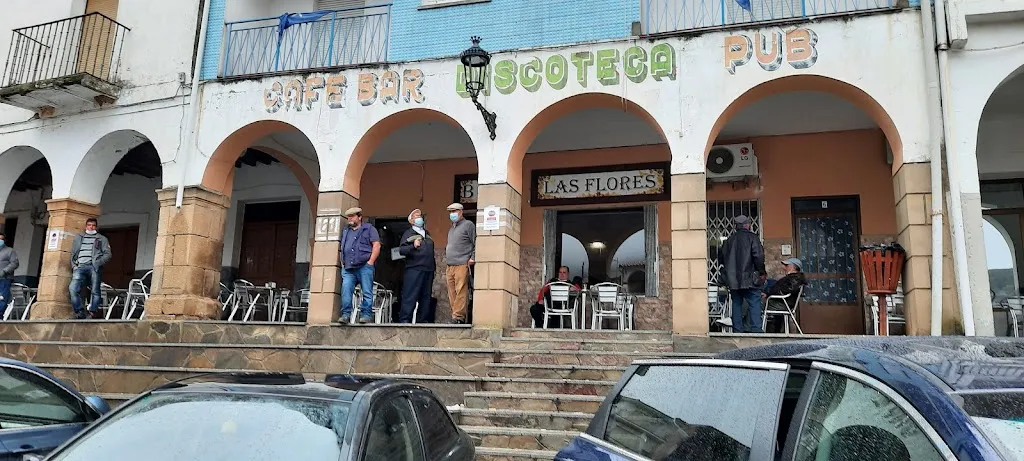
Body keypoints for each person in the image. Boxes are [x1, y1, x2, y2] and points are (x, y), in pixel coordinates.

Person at [718, 215, 766, 333]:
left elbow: (721, 259)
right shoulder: (753, 238)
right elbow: (758, 257)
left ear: (736, 227)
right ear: (748, 225)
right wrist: (762, 272)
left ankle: (737, 330)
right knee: (754, 302)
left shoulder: (729, 240)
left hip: (733, 279)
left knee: (737, 303)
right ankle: (756, 330)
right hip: (750, 278)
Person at [339, 207, 381, 324]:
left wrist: (370, 262)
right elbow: (342, 248)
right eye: (348, 217)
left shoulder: (369, 229)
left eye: (352, 216)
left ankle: (366, 315)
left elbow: (376, 245)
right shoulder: (346, 230)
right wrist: (342, 263)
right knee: (346, 290)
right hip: (348, 268)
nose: (350, 219)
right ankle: (346, 315)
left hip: (364, 266)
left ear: (359, 217)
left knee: (367, 291)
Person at [69, 218, 112, 320]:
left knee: (95, 291)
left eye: (93, 225)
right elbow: (73, 253)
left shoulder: (102, 239)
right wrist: (74, 265)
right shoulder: (79, 238)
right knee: (73, 289)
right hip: (79, 267)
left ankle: (92, 312)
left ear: (96, 227)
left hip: (93, 267)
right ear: (86, 226)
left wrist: (97, 263)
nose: (91, 227)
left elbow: (108, 254)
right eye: (89, 225)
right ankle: (79, 311)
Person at [398, 208, 435, 323]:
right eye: (416, 216)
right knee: (410, 296)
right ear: (411, 221)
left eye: (420, 216)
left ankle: (422, 321)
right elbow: (401, 250)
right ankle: (405, 320)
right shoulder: (408, 233)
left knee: (425, 297)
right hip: (414, 269)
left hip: (428, 269)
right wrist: (413, 246)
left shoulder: (427, 234)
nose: (420, 218)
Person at [444, 203, 475, 324]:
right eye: (450, 212)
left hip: (462, 263)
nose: (452, 214)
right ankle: (455, 315)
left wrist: (473, 257)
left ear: (461, 212)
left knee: (460, 290)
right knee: (452, 292)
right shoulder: (452, 228)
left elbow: (476, 241)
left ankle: (458, 317)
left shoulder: (468, 225)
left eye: (454, 211)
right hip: (450, 265)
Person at [762, 257, 807, 333]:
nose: (784, 268)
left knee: (755, 303)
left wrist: (770, 293)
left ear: (793, 267)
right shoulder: (795, 277)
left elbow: (785, 290)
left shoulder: (795, 278)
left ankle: (751, 330)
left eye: (786, 265)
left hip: (782, 303)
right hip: (782, 302)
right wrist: (768, 294)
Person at [0, 232, 19, 319]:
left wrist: (4, 271)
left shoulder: (9, 251)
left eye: (1, 239)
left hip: (4, 278)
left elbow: (15, 263)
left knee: (2, 298)